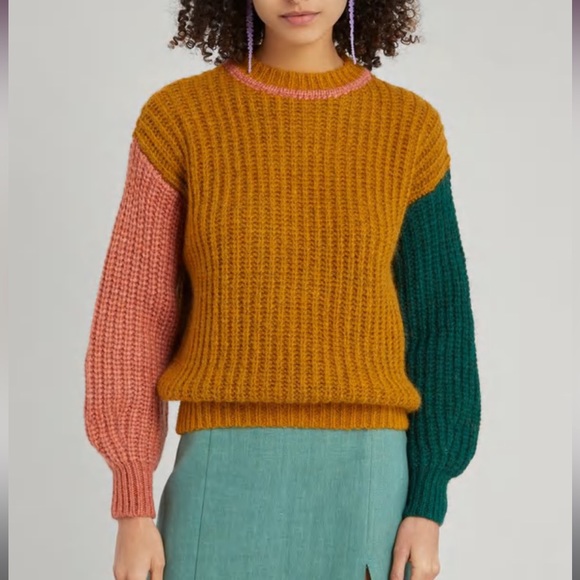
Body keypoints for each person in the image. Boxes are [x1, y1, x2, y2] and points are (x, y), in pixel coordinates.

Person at [83, 0, 482, 576]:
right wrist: (131, 504)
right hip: (221, 461)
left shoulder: (407, 128)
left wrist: (428, 502)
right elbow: (134, 313)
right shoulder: (180, 119)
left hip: (367, 471)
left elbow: (440, 322)